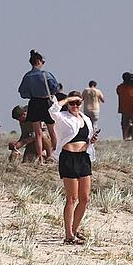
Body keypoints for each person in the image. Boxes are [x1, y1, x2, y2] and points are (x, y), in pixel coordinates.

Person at [49, 91, 99, 245]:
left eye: (78, 103)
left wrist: (92, 140)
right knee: (72, 198)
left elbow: (87, 137)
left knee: (85, 198)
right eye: (73, 103)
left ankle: (75, 229)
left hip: (84, 157)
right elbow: (52, 110)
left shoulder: (86, 119)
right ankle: (68, 234)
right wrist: (67, 100)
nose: (75, 105)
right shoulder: (63, 117)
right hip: (68, 158)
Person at [18, 50, 59, 163]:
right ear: (39, 61)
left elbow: (22, 92)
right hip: (45, 102)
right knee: (52, 130)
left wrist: (31, 94)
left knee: (38, 133)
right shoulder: (46, 74)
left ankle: (40, 158)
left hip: (34, 103)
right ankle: (54, 154)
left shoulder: (27, 76)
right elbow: (55, 87)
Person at [116, 72, 133, 141]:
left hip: (124, 108)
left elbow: (118, 92)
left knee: (125, 125)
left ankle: (124, 138)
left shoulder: (120, 87)